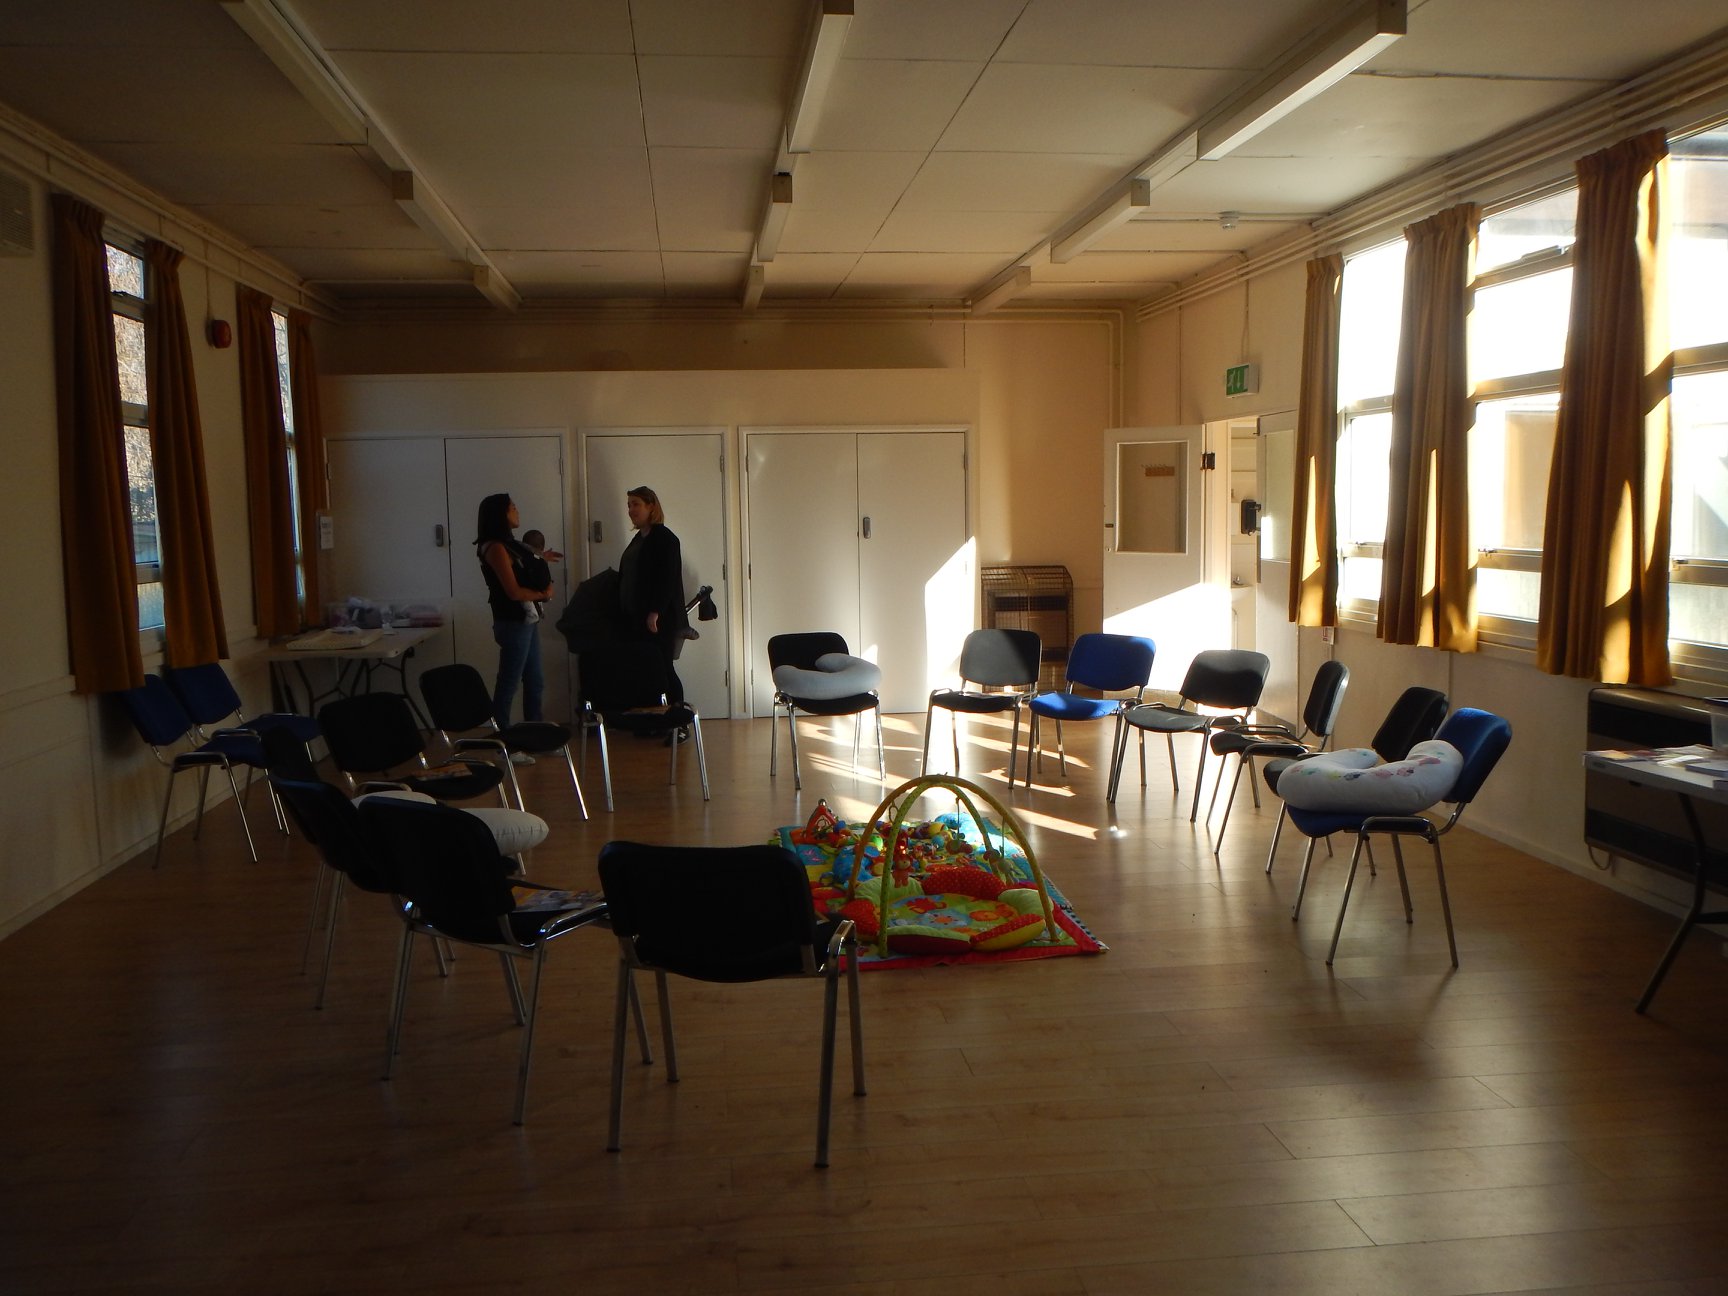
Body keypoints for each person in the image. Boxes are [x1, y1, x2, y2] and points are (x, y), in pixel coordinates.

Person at [474, 493, 555, 743]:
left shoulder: (509, 544)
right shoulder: (495, 548)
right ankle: (504, 741)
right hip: (512, 622)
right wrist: (543, 594)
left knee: (535, 681)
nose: (517, 511)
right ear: (500, 514)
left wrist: (541, 559)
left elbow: (525, 562)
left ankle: (535, 736)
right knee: (509, 683)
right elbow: (513, 592)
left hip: (526, 620)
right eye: (512, 507)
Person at [617, 485, 687, 709]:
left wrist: (655, 612)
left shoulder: (665, 539)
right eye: (629, 505)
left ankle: (678, 716)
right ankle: (653, 716)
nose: (631, 510)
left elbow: (667, 579)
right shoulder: (639, 539)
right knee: (646, 667)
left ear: (651, 506)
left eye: (636, 504)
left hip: (658, 618)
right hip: (637, 615)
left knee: (663, 666)